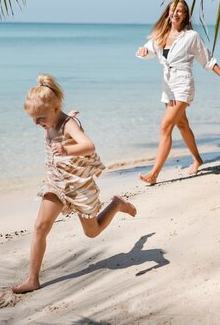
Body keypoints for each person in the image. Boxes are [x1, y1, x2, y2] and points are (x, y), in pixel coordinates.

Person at [12, 74, 137, 294]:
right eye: (33, 119)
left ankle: (116, 204)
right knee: (40, 226)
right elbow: (56, 121)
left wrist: (67, 148)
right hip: (56, 183)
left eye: (40, 118)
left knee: (92, 232)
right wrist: (60, 118)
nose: (36, 123)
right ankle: (33, 279)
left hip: (79, 185)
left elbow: (89, 146)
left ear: (55, 108)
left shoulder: (69, 125)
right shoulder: (53, 118)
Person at [136, 0, 220, 184]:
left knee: (165, 127)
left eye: (180, 11)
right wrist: (143, 51)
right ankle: (198, 159)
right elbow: (148, 51)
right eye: (173, 10)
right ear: (168, 12)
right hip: (168, 87)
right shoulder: (160, 35)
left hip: (183, 84)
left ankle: (154, 174)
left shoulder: (191, 36)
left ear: (185, 16)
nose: (176, 13)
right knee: (182, 125)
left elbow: (207, 60)